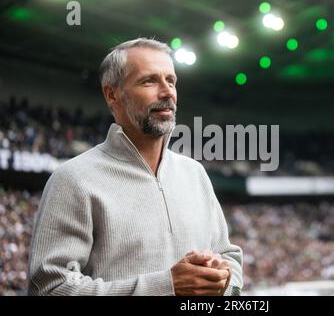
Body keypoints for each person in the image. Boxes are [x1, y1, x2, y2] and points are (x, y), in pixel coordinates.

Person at [27, 38, 243, 296]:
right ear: (112, 94)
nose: (167, 93)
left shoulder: (194, 173)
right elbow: (51, 288)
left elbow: (228, 255)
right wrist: (166, 287)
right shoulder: (73, 179)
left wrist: (223, 277)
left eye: (171, 81)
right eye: (149, 81)